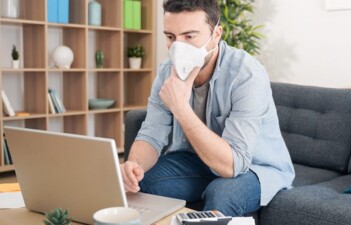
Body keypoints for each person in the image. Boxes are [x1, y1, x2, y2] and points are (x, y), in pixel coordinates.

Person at [120, 0, 295, 216]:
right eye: (170, 37)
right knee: (136, 184)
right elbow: (151, 135)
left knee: (222, 193)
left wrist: (181, 108)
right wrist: (133, 166)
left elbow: (232, 165)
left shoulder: (247, 75)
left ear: (217, 35)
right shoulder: (167, 72)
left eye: (189, 36)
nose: (178, 47)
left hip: (253, 168)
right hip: (198, 163)